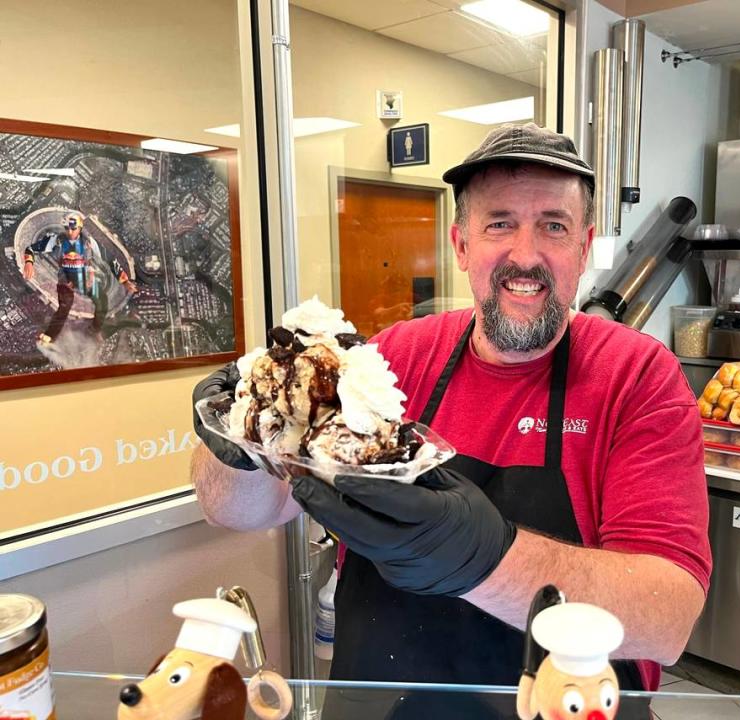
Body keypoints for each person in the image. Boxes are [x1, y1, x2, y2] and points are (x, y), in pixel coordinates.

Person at [191, 123, 710, 697]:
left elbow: (669, 616)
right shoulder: (392, 360)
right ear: (462, 244)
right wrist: (240, 437)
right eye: (500, 224)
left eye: (553, 227)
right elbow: (237, 512)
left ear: (583, 248)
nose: (525, 254)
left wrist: (485, 559)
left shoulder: (637, 376)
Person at [22, 212, 136, 343]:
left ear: (80, 228)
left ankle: (94, 330)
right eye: (67, 228)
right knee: (64, 307)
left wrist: (124, 280)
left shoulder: (89, 242)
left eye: (73, 228)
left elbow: (109, 259)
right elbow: (30, 249)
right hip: (65, 279)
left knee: (102, 301)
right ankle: (50, 336)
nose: (70, 232)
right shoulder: (56, 240)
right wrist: (29, 263)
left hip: (84, 278)